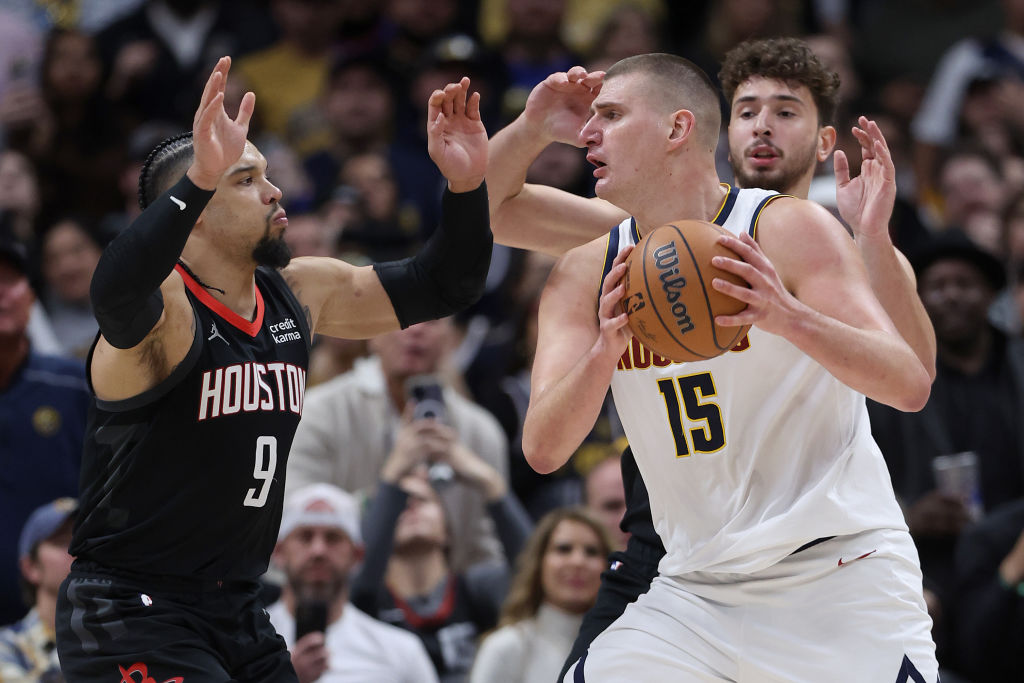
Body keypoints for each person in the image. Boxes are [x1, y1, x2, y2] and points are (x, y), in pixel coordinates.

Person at [484, 37, 937, 678]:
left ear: (677, 127)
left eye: (611, 116)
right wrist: (605, 348)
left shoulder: (788, 230)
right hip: (694, 587)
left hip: (835, 574)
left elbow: (909, 383)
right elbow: (543, 450)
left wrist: (788, 317)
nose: (588, 133)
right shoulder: (588, 270)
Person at [54, 56, 492, 682]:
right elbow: (114, 292)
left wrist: (466, 186)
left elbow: (445, 284)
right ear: (197, 208)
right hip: (131, 605)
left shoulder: (299, 291)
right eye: (246, 179)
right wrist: (200, 174)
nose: (274, 190)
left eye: (266, 174)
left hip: (237, 606)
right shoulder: (164, 312)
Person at [349, 450, 532, 681]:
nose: (411, 507)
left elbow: (536, 573)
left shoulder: (475, 588)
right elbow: (362, 576)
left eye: (422, 501)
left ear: (447, 527)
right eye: (400, 505)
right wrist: (391, 474)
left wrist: (491, 484)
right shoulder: (365, 598)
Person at [267, 483, 438, 683]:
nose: (318, 550)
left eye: (333, 538)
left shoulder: (401, 652)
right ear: (278, 552)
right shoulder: (243, 644)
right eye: (305, 537)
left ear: (357, 555)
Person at [0, 239, 87, 627]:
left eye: (11, 280)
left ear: (32, 297)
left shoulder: (74, 386)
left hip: (64, 624)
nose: (2, 294)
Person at [468, 507, 609, 683]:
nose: (578, 562)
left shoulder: (621, 644)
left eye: (592, 551)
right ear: (539, 563)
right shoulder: (505, 647)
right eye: (563, 549)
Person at [0, 497, 77, 682]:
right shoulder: (8, 646)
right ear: (30, 567)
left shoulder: (123, 634)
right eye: (62, 542)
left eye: (85, 541)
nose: (77, 551)